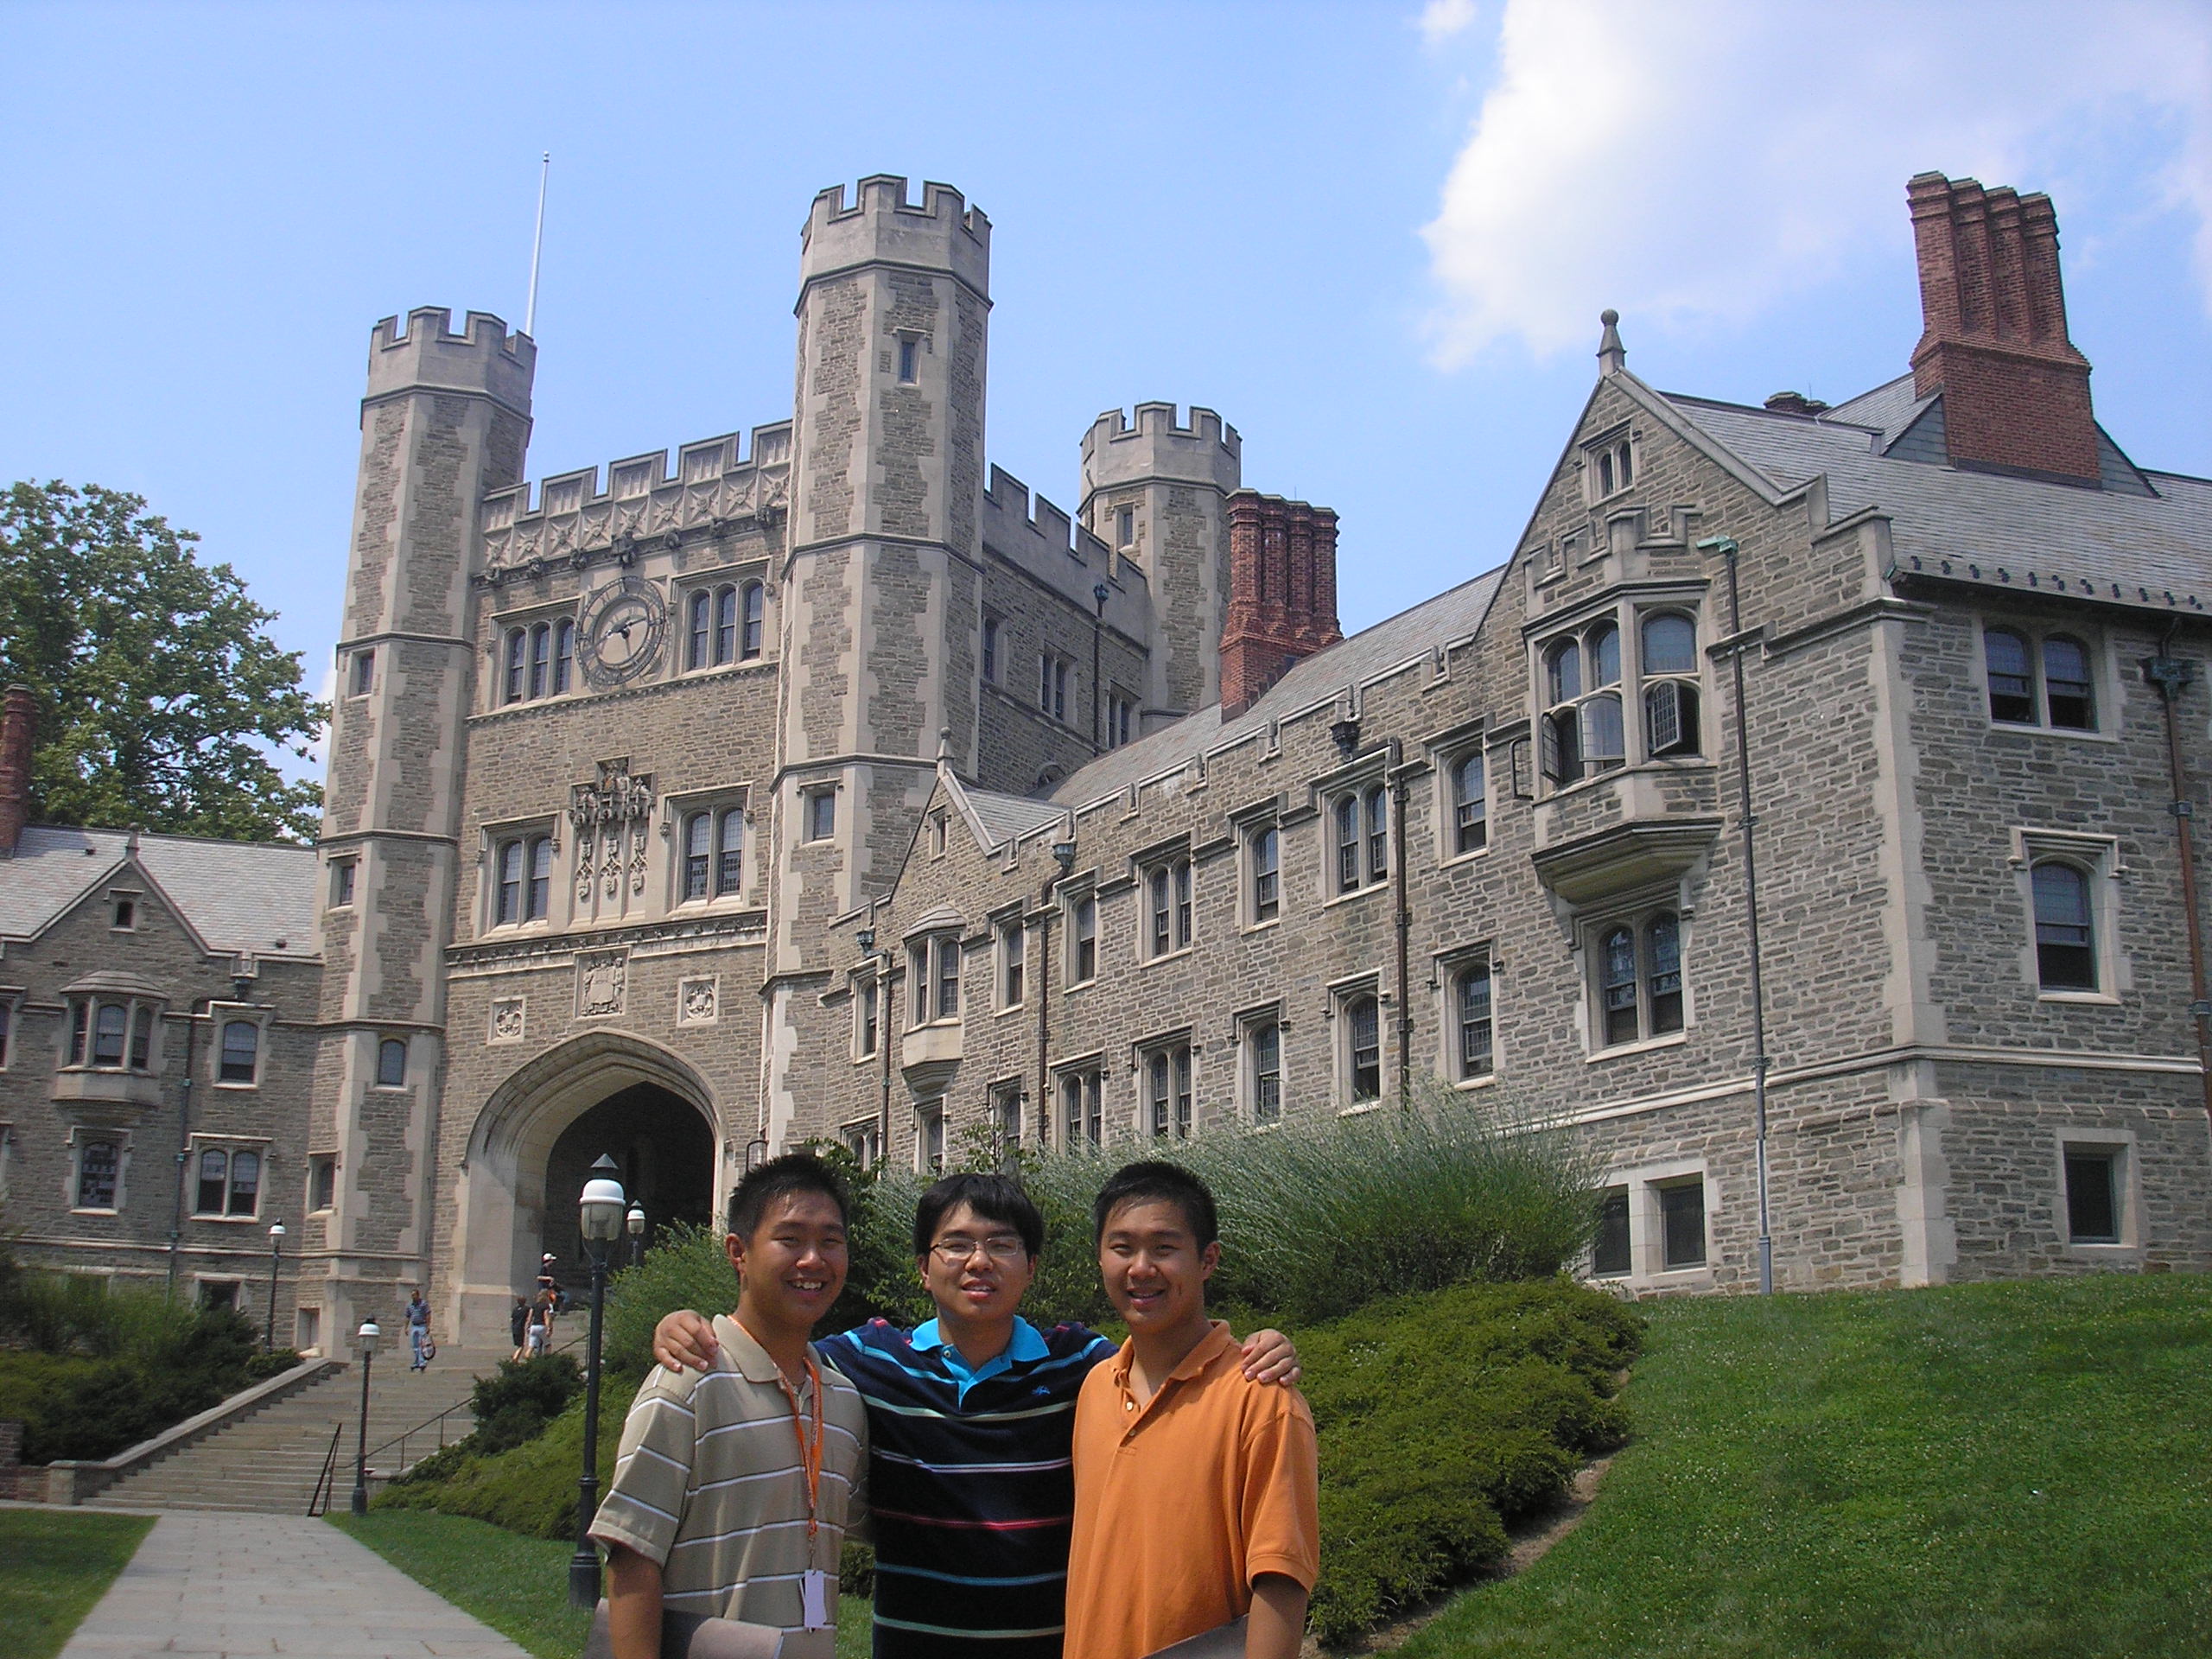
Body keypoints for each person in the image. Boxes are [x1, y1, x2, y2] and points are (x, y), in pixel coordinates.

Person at [652, 1170, 1300, 1658]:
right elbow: (774, 1350)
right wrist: (684, 1324)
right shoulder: (867, 1362)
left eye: (1002, 1244)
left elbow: (1170, 1366)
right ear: (922, 1268)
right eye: (955, 1245)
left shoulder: (1082, 1368)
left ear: (1032, 1267)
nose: (979, 1262)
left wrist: (1258, 1349)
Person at [591, 1154, 868, 1659]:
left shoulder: (843, 1401)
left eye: (831, 1241)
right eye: (790, 1239)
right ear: (739, 1253)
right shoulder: (687, 1384)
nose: (813, 1260)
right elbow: (632, 1558)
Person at [1061, 1162, 1318, 1659]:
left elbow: (1281, 1580)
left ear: (1207, 1260)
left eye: (1164, 1248)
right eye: (1122, 1247)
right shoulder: (1096, 1388)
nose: (1141, 1268)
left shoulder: (1260, 1398)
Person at [405, 1288, 431, 1372]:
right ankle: (417, 1361)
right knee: (415, 1345)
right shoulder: (410, 1305)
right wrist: (406, 1327)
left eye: (414, 1295)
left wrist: (427, 1326)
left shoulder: (423, 1304)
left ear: (418, 1295)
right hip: (414, 1326)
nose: (413, 1297)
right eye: (412, 1295)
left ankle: (421, 1362)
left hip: (422, 1325)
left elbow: (428, 1314)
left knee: (421, 1345)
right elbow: (408, 1317)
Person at [523, 1290, 552, 1358]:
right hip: (542, 1326)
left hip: (533, 1327)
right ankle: (547, 1360)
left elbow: (529, 1317)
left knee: (531, 1346)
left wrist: (528, 1326)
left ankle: (527, 1359)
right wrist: (548, 1328)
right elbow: (546, 1317)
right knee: (548, 1345)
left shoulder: (534, 1306)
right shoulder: (545, 1306)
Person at [509, 1295, 530, 1363]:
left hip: (514, 1328)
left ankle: (516, 1358)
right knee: (521, 1346)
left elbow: (511, 1319)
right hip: (520, 1328)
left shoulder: (515, 1309)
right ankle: (515, 1358)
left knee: (518, 1344)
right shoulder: (526, 1308)